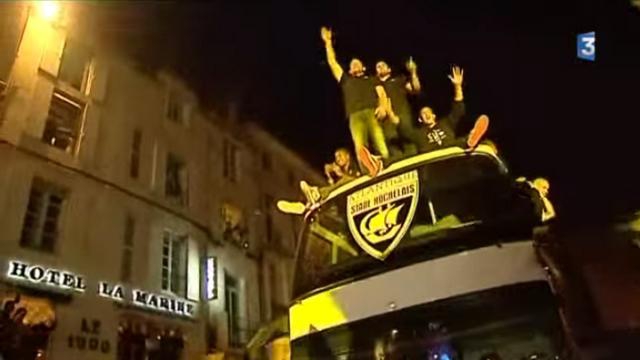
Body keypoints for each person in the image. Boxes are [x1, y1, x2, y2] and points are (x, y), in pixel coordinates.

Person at [320, 26, 388, 176]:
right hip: (354, 115)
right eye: (352, 65)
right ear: (350, 70)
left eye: (357, 64)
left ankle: (386, 165)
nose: (355, 65)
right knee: (359, 146)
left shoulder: (371, 79)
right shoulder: (346, 80)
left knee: (380, 142)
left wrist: (382, 106)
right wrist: (328, 42)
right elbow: (332, 62)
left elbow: (381, 93)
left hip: (371, 111)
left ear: (363, 67)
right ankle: (368, 171)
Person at [416, 66, 489, 152]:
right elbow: (404, 129)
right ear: (420, 119)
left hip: (452, 150)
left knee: (463, 141)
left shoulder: (445, 123)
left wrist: (457, 86)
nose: (427, 114)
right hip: (435, 156)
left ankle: (471, 138)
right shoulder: (419, 135)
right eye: (424, 114)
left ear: (434, 115)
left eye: (429, 112)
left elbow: (458, 108)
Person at [375, 58, 422, 160]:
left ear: (389, 69)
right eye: (378, 67)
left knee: (410, 146)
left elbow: (416, 89)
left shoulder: (399, 79)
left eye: (383, 65)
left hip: (403, 118)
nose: (380, 67)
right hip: (387, 124)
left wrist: (413, 72)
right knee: (395, 151)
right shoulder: (374, 86)